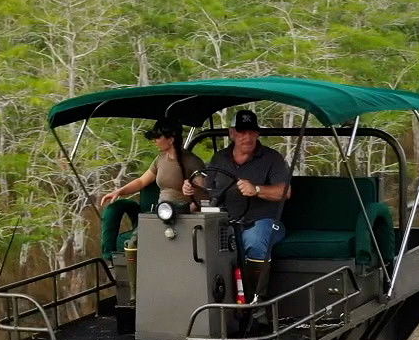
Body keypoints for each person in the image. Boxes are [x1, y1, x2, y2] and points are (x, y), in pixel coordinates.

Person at [183, 108, 291, 310]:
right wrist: (193, 189)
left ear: (257, 133)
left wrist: (256, 189)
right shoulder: (219, 159)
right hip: (226, 222)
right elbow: (209, 194)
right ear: (232, 133)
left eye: (251, 132)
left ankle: (255, 304)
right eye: (241, 132)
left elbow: (285, 192)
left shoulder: (272, 158)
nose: (246, 137)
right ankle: (200, 301)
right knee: (194, 240)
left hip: (263, 221)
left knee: (254, 241)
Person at [100, 119, 205, 209]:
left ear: (170, 140)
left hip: (185, 214)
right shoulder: (160, 159)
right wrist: (119, 191)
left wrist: (192, 193)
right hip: (162, 211)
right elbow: (141, 182)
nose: (155, 141)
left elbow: (203, 194)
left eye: (158, 137)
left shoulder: (193, 162)